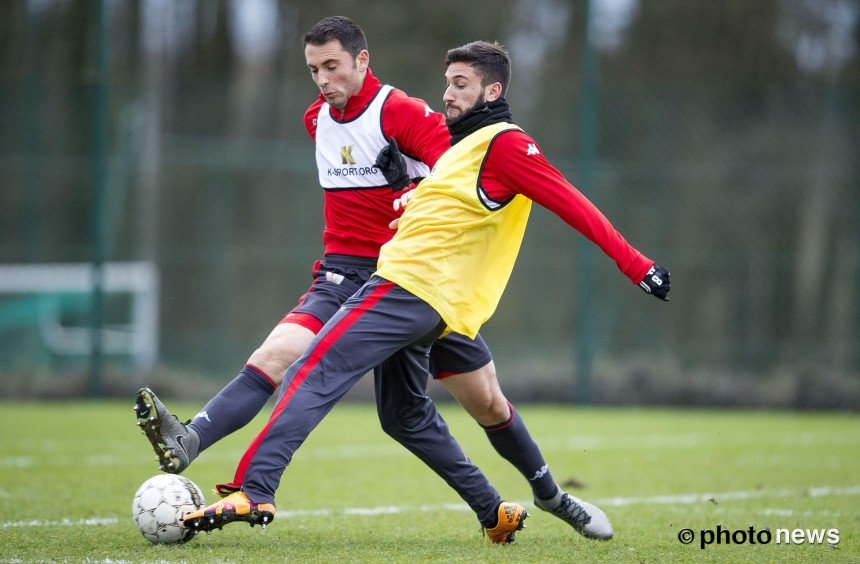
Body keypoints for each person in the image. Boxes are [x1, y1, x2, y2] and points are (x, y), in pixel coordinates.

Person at [135, 16, 613, 544]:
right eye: (314, 68)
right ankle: (191, 439)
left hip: (411, 276)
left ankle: (545, 496)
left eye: (332, 66)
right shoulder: (316, 120)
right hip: (346, 275)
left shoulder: (402, 112)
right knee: (281, 355)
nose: (322, 79)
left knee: (481, 403)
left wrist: (410, 180)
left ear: (363, 61)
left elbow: (459, 168)